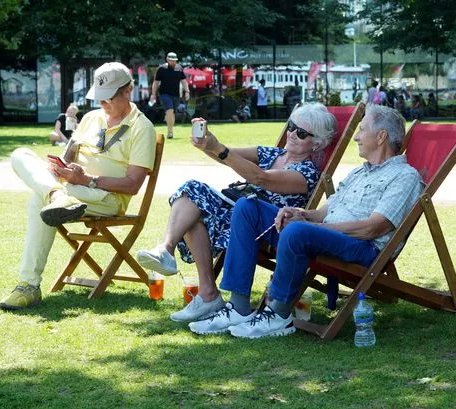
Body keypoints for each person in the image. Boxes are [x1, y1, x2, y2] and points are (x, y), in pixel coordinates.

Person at [186, 105, 424, 338]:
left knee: (298, 231)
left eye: (362, 130)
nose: (356, 138)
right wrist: (300, 213)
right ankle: (238, 308)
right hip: (326, 234)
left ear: (381, 136)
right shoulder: (360, 173)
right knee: (248, 207)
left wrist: (312, 227)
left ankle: (278, 315)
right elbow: (323, 212)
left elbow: (373, 228)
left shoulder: (404, 176)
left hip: (361, 246)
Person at [136, 103, 337, 323]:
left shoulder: (307, 173)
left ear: (317, 143)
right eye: (291, 126)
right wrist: (208, 144)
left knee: (195, 212)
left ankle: (208, 294)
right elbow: (227, 156)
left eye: (301, 133)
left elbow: (261, 178)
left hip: (265, 225)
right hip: (238, 212)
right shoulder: (273, 154)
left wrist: (219, 149)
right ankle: (167, 251)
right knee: (191, 193)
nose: (292, 134)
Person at [0, 62, 157, 311]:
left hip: (108, 198)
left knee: (40, 199)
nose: (102, 103)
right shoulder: (92, 118)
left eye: (108, 98)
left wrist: (86, 180)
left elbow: (132, 184)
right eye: (99, 97)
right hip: (73, 188)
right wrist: (61, 167)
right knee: (20, 154)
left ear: (128, 90)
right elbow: (69, 155)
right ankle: (56, 194)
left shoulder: (142, 127)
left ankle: (28, 285)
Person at [150, 52, 190, 139]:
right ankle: (170, 132)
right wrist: (153, 94)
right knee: (170, 110)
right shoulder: (161, 69)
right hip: (164, 94)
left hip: (176, 95)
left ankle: (168, 118)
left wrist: (187, 91)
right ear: (167, 60)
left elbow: (184, 81)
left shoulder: (179, 68)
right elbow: (156, 82)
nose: (173, 62)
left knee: (172, 113)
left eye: (174, 61)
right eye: (171, 61)